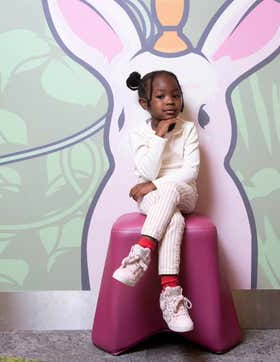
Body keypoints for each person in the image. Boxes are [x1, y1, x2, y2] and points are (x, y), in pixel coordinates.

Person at [112, 70, 200, 333]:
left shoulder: (188, 129)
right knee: (172, 219)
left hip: (184, 194)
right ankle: (171, 295)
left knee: (171, 188)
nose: (170, 101)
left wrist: (154, 185)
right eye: (161, 96)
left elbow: (191, 171)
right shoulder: (139, 134)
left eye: (175, 95)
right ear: (144, 104)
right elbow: (148, 170)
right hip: (151, 200)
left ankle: (141, 254)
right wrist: (160, 136)